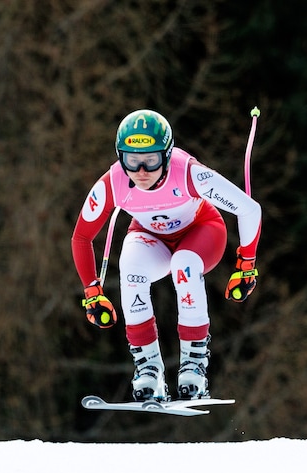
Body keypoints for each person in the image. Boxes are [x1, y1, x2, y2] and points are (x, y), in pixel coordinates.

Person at [71, 109, 261, 401]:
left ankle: (194, 367)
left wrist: (246, 264)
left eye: (151, 160)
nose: (141, 172)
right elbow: (82, 236)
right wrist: (92, 292)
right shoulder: (114, 182)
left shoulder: (188, 173)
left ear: (168, 155)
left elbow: (249, 209)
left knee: (183, 264)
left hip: (201, 232)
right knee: (130, 266)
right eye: (132, 161)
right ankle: (148, 369)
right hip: (152, 238)